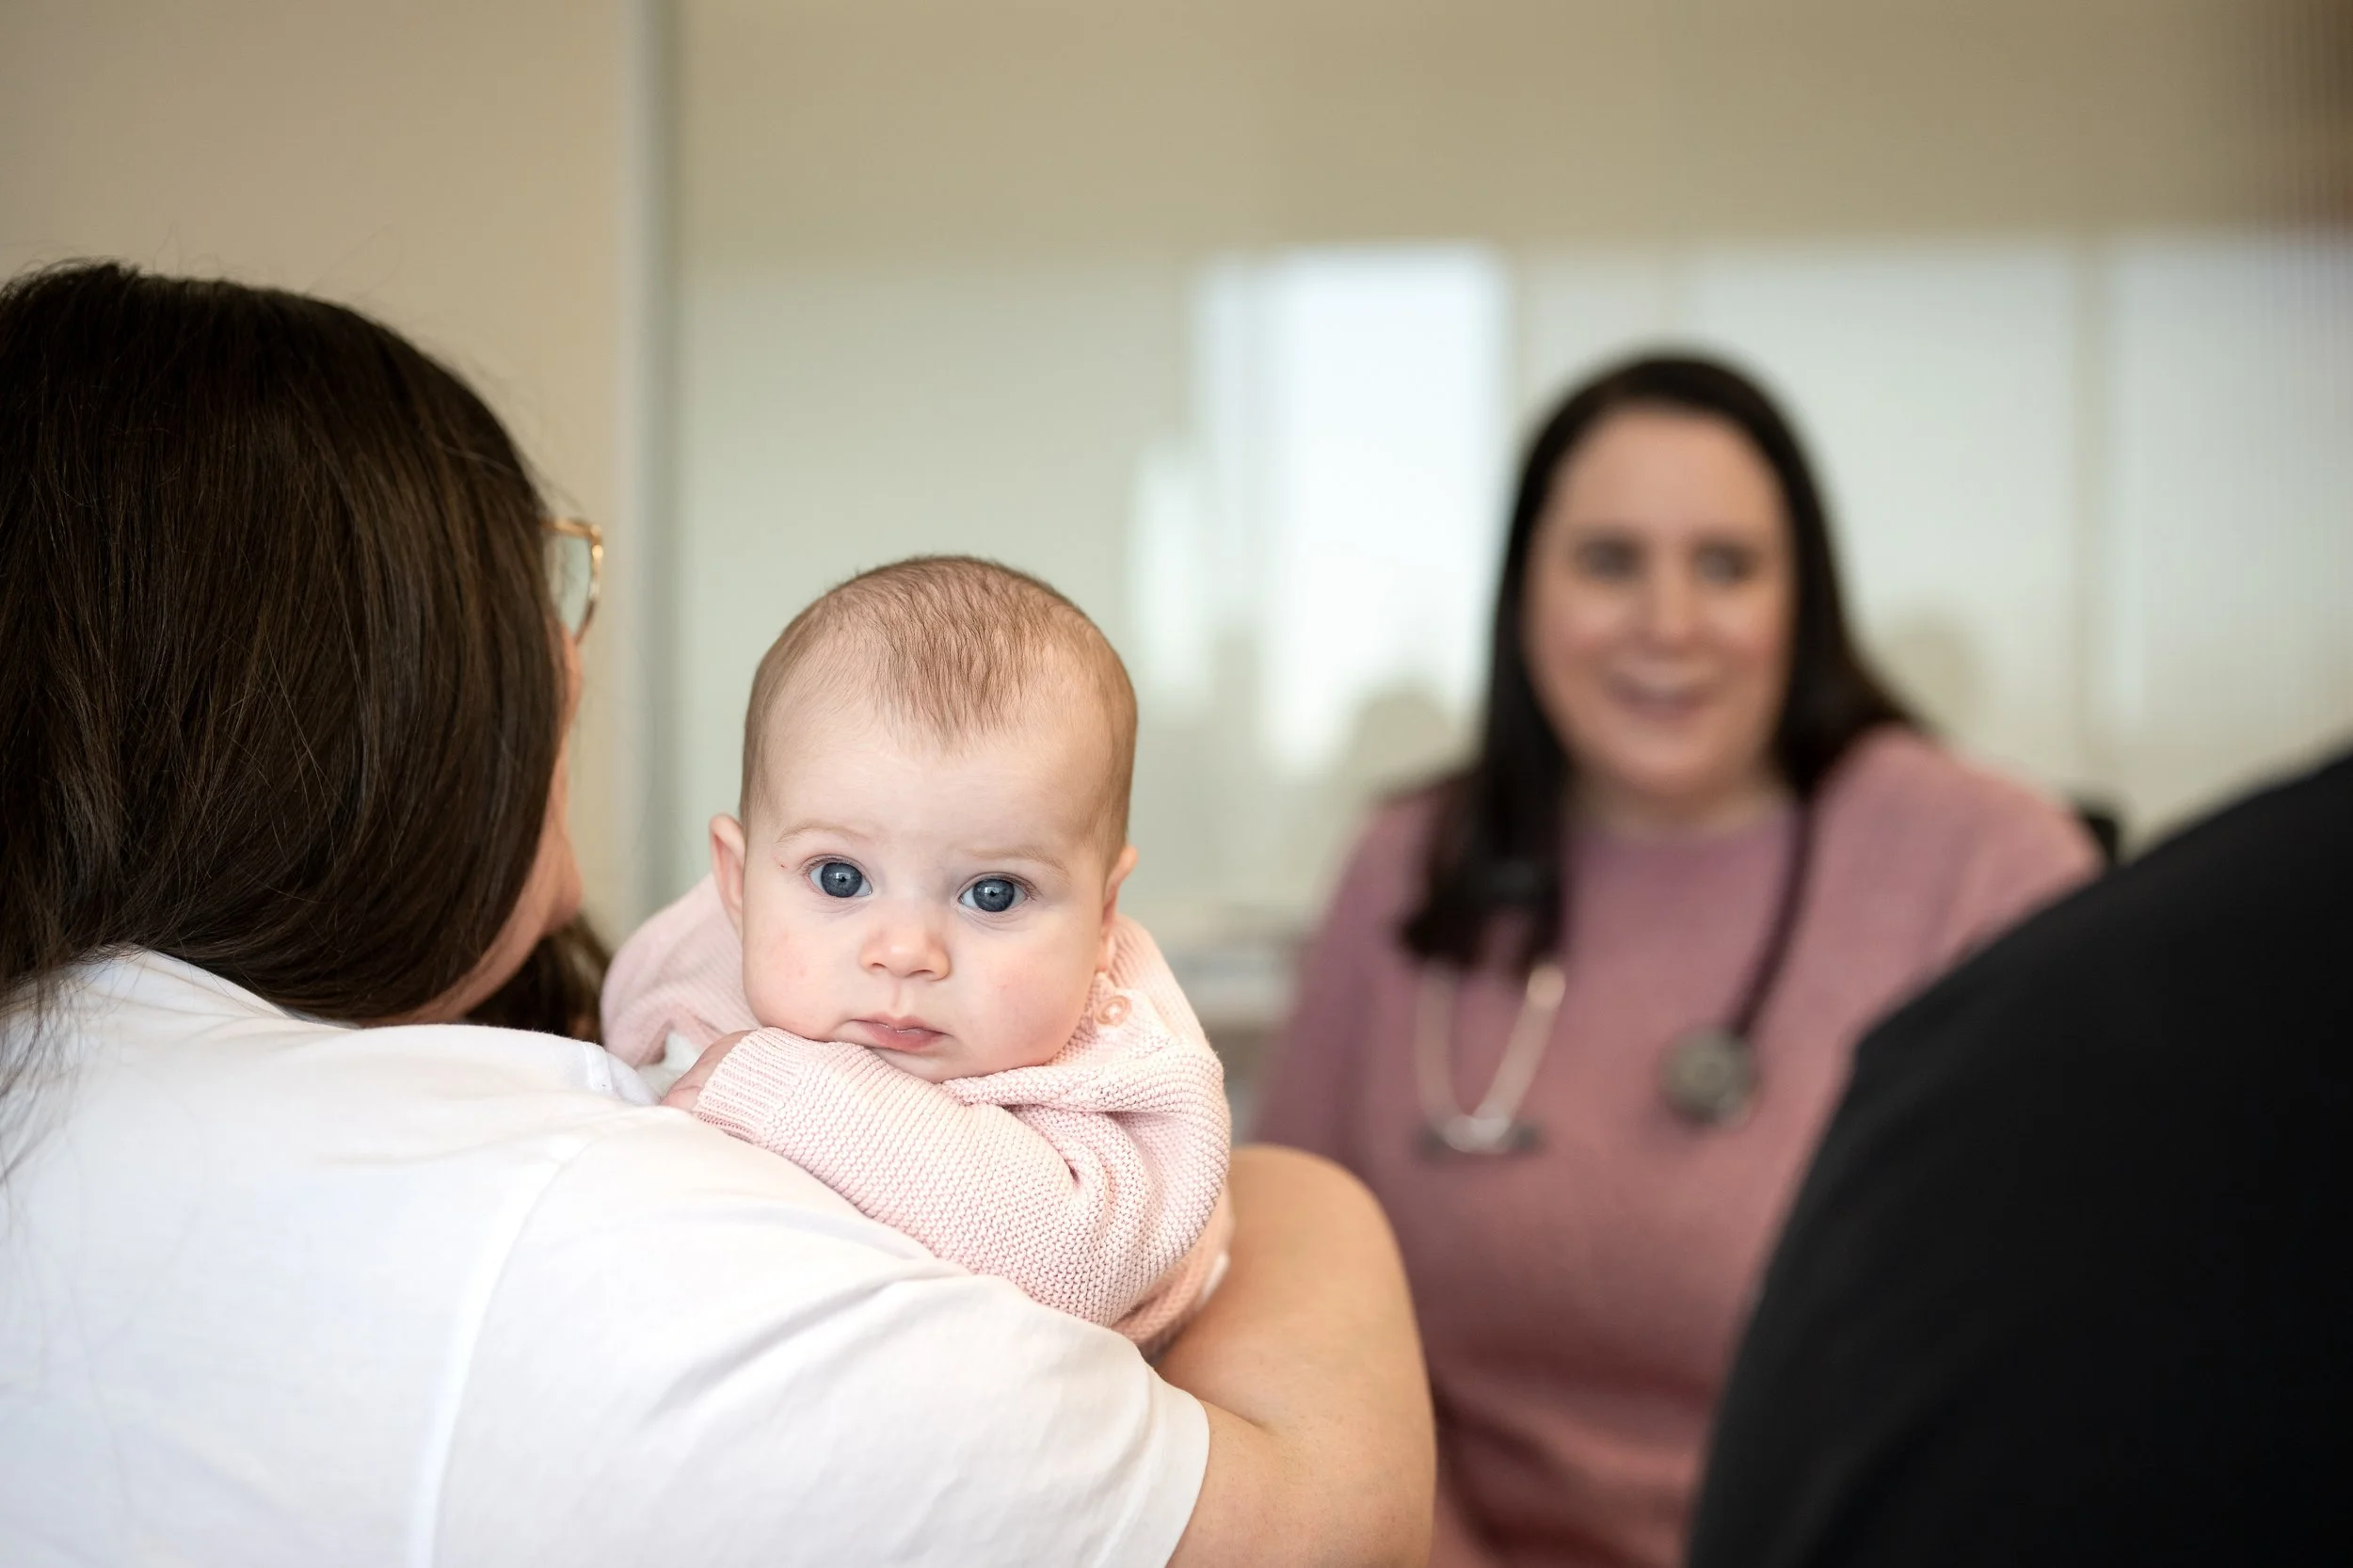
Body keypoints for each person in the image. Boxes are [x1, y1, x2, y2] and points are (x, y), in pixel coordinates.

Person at [0, 262, 1432, 1567]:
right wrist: (1317, 1200)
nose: (570, 662)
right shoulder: (577, 1230)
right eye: (536, 588)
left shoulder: (76, 1104)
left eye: (993, 892)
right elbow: (1317, 1527)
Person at [1255, 354, 2098, 1568]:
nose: (1669, 623)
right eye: (1609, 562)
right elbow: (1286, 1295)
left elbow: (2049, 1358)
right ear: (1523, 596)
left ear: (1800, 600)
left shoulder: (1985, 866)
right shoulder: (1407, 864)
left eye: (1726, 565)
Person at [1687, 748, 2353, 1565]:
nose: (1669, 627)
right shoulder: (1487, 845)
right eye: (1609, 604)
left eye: (1727, 604)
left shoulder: (1992, 874)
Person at [602, 556, 1231, 1350]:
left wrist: (785, 1089)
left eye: (993, 894)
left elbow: (1079, 1262)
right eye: (841, 878)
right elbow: (634, 1023)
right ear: (736, 882)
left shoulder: (1117, 1062)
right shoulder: (708, 944)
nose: (905, 953)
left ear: (1104, 917)